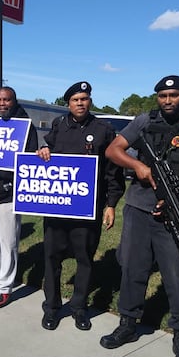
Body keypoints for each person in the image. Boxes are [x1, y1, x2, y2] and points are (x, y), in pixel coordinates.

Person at [100, 75, 179, 357]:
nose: (168, 100)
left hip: (178, 211)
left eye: (175, 95)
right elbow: (113, 150)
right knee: (131, 267)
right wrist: (138, 165)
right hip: (139, 208)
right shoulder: (145, 121)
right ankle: (128, 323)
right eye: (163, 95)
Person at [37, 81, 126, 331]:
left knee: (85, 260)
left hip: (88, 209)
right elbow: (47, 151)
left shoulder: (103, 129)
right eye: (75, 99)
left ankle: (79, 308)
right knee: (52, 259)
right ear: (68, 103)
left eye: (84, 99)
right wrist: (43, 150)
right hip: (57, 207)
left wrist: (111, 204)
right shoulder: (58, 125)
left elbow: (113, 172)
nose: (80, 103)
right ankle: (52, 308)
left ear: (90, 101)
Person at [0, 87, 38, 309]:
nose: (2, 104)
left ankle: (5, 288)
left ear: (14, 101)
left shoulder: (25, 127)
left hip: (7, 195)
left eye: (7, 100)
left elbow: (27, 163)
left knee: (8, 242)